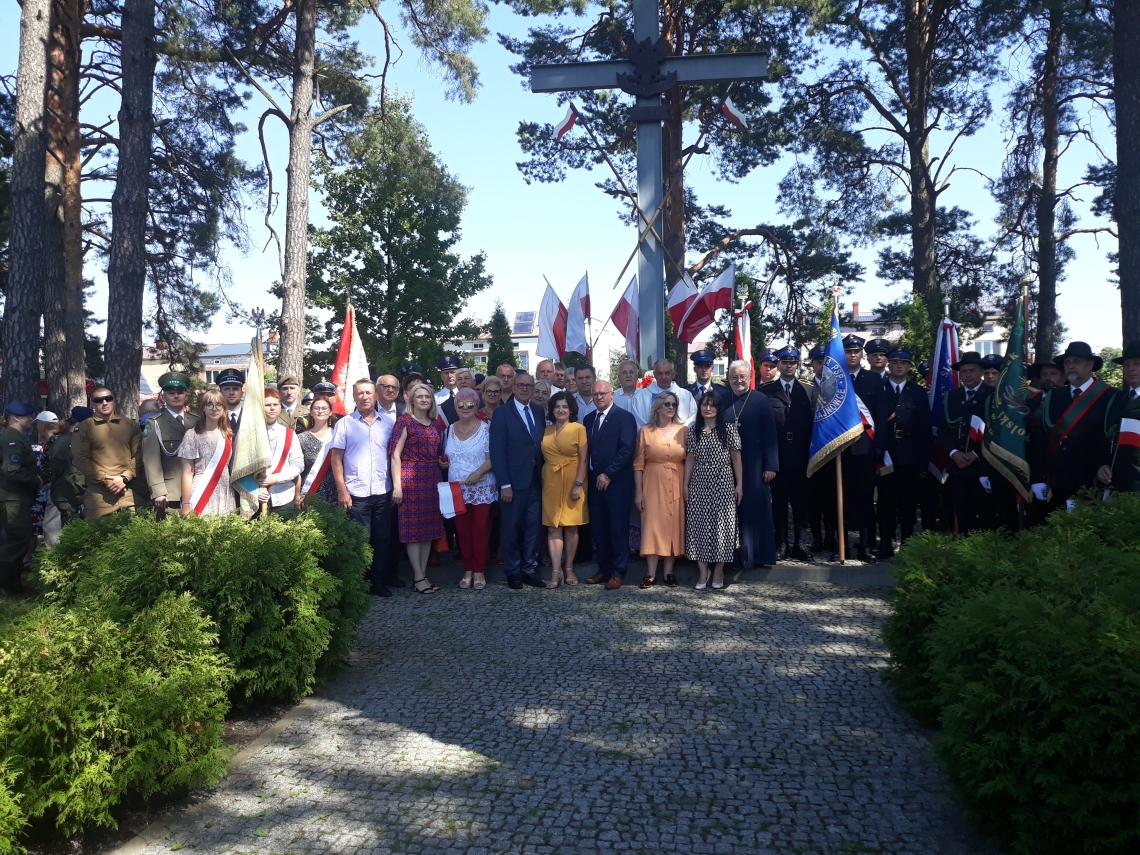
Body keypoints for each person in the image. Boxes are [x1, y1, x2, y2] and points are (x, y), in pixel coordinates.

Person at [1030, 341, 1117, 513]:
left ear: (1090, 364)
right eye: (1067, 362)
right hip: (1057, 480)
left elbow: (1110, 439)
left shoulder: (1109, 395)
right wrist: (1037, 477)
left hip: (1091, 480)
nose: (1071, 366)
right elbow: (1042, 439)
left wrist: (1107, 475)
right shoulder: (1054, 396)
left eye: (1077, 361)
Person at [331, 379, 399, 597]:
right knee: (361, 540)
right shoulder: (345, 424)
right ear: (354, 397)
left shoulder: (388, 423)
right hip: (356, 493)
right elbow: (336, 460)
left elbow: (397, 456)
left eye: (368, 393)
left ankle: (378, 582)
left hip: (383, 491)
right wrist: (342, 490)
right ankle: (360, 582)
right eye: (360, 393)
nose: (364, 397)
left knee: (382, 539)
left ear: (376, 396)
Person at [489, 372, 547, 589]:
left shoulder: (539, 411)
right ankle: (513, 571)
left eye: (528, 386)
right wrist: (504, 484)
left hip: (536, 480)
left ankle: (529, 569)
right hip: (512, 482)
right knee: (511, 527)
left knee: (533, 527)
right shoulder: (502, 413)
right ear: (513, 388)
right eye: (520, 386)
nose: (525, 389)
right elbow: (497, 451)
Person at [874, 349, 932, 558]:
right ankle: (886, 542)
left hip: (910, 455)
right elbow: (874, 424)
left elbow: (924, 429)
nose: (899, 366)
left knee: (907, 502)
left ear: (909, 367)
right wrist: (878, 451)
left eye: (904, 363)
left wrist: (923, 461)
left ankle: (907, 541)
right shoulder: (878, 390)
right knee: (885, 502)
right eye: (895, 362)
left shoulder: (917, 392)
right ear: (889, 365)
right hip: (884, 454)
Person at [761, 346, 817, 562]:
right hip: (779, 456)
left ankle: (800, 544)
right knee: (780, 502)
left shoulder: (810, 390)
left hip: (803, 456)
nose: (789, 365)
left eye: (793, 362)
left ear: (798, 364)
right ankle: (781, 543)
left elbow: (816, 425)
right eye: (784, 362)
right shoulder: (767, 391)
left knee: (802, 502)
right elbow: (765, 428)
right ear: (778, 365)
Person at [390, 383, 446, 594]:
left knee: (428, 530)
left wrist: (443, 464)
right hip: (410, 480)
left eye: (427, 396)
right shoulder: (404, 422)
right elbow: (395, 454)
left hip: (432, 479)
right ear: (411, 400)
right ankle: (418, 576)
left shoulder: (435, 425)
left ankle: (422, 575)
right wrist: (397, 486)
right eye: (419, 396)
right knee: (413, 530)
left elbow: (438, 453)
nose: (423, 399)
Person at [684, 390, 742, 590]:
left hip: (723, 481)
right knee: (697, 525)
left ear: (718, 408)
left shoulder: (729, 429)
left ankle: (718, 570)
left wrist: (739, 484)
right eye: (704, 404)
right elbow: (690, 460)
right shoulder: (694, 431)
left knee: (723, 527)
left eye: (712, 405)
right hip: (699, 482)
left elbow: (736, 458)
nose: (708, 408)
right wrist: (685, 484)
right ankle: (703, 571)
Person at [582, 382, 638, 589]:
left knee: (617, 529)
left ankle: (618, 572)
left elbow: (627, 449)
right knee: (599, 529)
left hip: (616, 484)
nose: (599, 397)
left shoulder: (624, 417)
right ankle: (604, 570)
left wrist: (608, 474)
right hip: (594, 483)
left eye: (603, 393)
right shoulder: (588, 419)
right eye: (595, 394)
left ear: (612, 395)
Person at [725, 360, 779, 568]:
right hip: (727, 465)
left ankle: (760, 556)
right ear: (729, 378)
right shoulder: (722, 399)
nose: (738, 380)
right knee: (731, 511)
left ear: (749, 377)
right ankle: (730, 558)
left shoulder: (761, 400)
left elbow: (770, 435)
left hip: (756, 464)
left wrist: (771, 465)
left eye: (742, 376)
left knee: (756, 509)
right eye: (734, 377)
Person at [442, 388, 496, 589]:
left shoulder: (486, 429)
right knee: (461, 531)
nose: (465, 408)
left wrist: (478, 473)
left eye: (470, 404)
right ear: (455, 407)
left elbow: (493, 458)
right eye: (461, 404)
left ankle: (480, 570)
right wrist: (444, 464)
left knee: (480, 529)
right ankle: (468, 569)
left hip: (481, 487)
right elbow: (447, 457)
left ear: (476, 406)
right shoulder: (448, 430)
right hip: (456, 488)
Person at [633, 392, 688, 588]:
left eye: (674, 404)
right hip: (652, 482)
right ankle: (650, 573)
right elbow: (638, 464)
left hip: (676, 480)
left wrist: (687, 485)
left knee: (673, 524)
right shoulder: (645, 431)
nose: (671, 407)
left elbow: (689, 460)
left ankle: (669, 572)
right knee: (653, 525)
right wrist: (639, 493)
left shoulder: (684, 430)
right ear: (657, 407)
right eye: (667, 404)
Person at [937, 351, 994, 533]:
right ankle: (963, 550)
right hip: (958, 464)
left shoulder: (992, 395)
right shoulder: (952, 396)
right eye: (964, 371)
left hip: (983, 464)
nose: (968, 375)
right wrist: (954, 452)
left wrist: (975, 453)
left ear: (981, 372)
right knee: (962, 512)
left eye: (972, 370)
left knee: (985, 512)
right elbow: (944, 429)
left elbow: (995, 431)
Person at [540, 391, 588, 588]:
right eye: (557, 406)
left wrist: (578, 484)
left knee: (571, 526)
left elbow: (584, 459)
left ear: (571, 410)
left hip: (573, 480)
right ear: (552, 410)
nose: (561, 410)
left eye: (565, 406)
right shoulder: (546, 430)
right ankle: (555, 570)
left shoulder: (579, 429)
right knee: (553, 526)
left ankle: (568, 567)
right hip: (551, 481)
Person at [842, 334, 882, 560]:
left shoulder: (873, 380)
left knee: (865, 498)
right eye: (848, 351)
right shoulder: (835, 379)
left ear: (862, 354)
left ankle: (865, 544)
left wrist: (880, 445)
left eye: (856, 351)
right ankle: (844, 545)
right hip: (841, 450)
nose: (852, 355)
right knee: (842, 498)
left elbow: (881, 414)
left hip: (866, 448)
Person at [74, 387, 142, 518]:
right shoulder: (84, 427)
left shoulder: (130, 425)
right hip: (99, 496)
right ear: (92, 405)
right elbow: (81, 459)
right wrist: (106, 480)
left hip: (129, 493)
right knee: (99, 536)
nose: (104, 402)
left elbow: (139, 455)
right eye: (99, 400)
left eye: (108, 398)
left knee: (132, 535)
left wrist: (124, 477)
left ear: (114, 401)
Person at [140, 371, 199, 516]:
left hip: (198, 487)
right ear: (163, 396)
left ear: (186, 396)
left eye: (180, 392)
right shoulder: (155, 424)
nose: (176, 396)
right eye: (171, 393)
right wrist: (158, 491)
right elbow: (150, 460)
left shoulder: (197, 421)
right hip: (170, 493)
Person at [0, 403, 40, 594]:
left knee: (17, 539)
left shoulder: (15, 437)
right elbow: (12, 471)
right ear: (16, 418)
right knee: (18, 539)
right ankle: (8, 585)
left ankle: (11, 583)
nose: (31, 420)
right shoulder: (11, 439)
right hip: (13, 497)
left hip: (15, 496)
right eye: (27, 417)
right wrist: (35, 481)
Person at [177, 389, 236, 518]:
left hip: (224, 490)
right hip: (200, 490)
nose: (214, 408)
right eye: (209, 404)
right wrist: (186, 504)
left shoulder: (229, 435)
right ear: (203, 408)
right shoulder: (192, 435)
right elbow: (187, 473)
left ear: (224, 409)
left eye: (219, 405)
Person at [806, 344, 838, 555]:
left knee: (832, 499)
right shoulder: (805, 388)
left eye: (826, 362)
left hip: (833, 451)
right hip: (810, 451)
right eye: (819, 362)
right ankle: (816, 538)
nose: (822, 366)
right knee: (813, 499)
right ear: (813, 364)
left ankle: (831, 538)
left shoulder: (838, 388)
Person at [1100, 340, 1140, 493]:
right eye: (1127, 365)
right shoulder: (1116, 399)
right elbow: (1104, 435)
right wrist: (1102, 464)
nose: (1131, 369)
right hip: (1113, 483)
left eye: (1137, 363)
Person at [257, 388, 304, 513]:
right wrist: (253, 491)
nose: (272, 408)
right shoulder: (250, 435)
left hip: (283, 496)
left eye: (275, 404)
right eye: (267, 405)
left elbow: (298, 464)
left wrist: (276, 478)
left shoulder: (289, 434)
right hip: (257, 497)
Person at [297, 396, 339, 506]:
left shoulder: (338, 436)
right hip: (308, 492)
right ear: (311, 412)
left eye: (324, 408)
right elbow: (297, 469)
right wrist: (297, 494)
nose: (320, 411)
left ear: (330, 412)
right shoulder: (300, 438)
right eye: (316, 408)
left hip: (334, 491)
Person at [632, 359, 696, 428]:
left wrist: (679, 432)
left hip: (678, 437)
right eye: (660, 373)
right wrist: (652, 432)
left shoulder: (686, 395)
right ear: (654, 375)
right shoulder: (640, 397)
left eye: (667, 373)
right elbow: (637, 420)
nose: (664, 377)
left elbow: (692, 417)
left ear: (673, 374)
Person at [217, 368, 246, 433]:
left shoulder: (250, 418)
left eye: (235, 389)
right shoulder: (214, 419)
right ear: (220, 393)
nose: (231, 393)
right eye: (227, 389)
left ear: (242, 393)